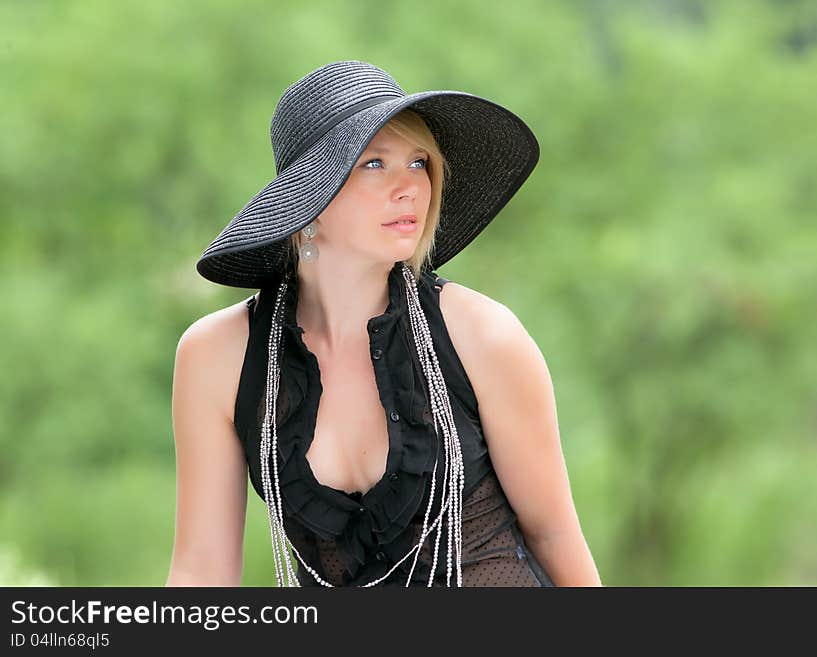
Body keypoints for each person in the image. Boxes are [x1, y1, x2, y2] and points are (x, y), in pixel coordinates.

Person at [166, 60, 602, 587]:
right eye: (374, 164)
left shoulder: (483, 336)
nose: (410, 188)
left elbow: (554, 535)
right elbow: (201, 571)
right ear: (307, 201)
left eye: (419, 163)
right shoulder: (218, 355)